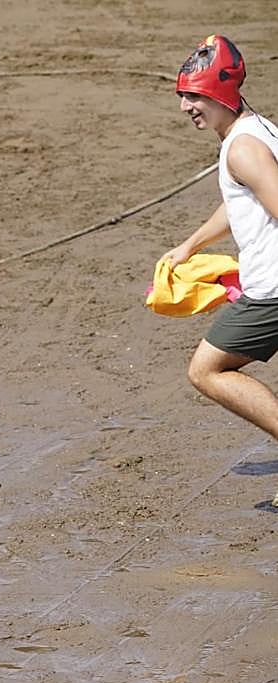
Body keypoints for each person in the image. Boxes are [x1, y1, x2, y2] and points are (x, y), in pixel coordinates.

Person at [163, 35, 278, 445]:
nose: (184, 106)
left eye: (193, 95)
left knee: (207, 370)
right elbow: (240, 202)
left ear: (220, 93)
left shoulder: (243, 149)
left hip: (272, 292)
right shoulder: (256, 130)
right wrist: (191, 245)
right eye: (182, 95)